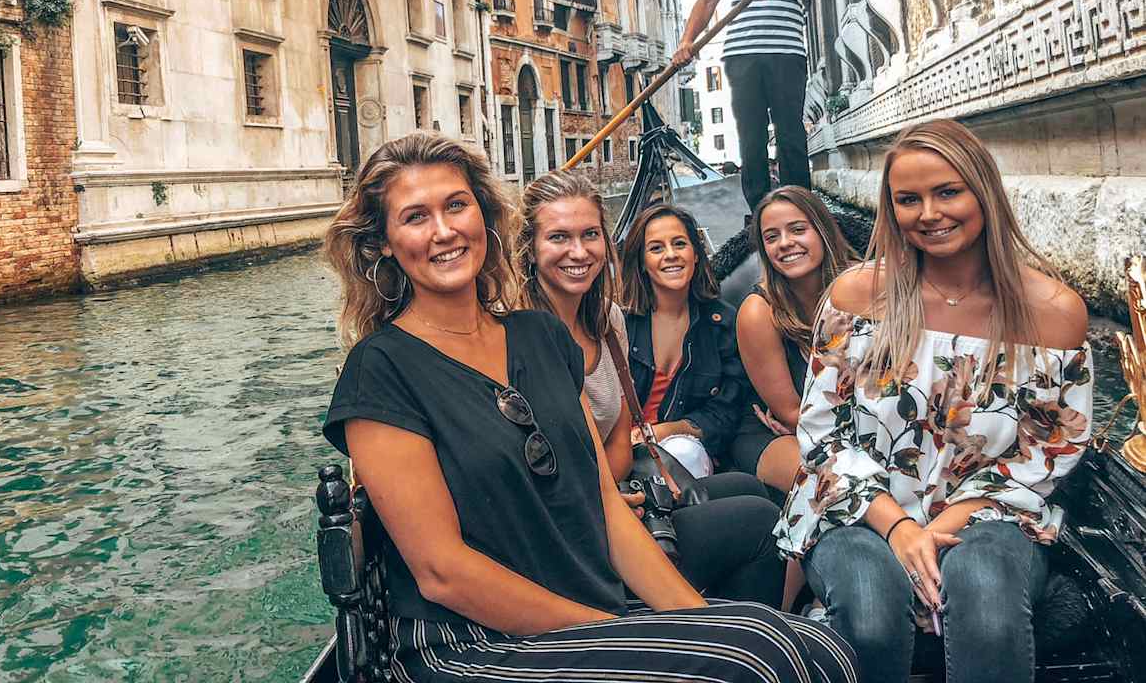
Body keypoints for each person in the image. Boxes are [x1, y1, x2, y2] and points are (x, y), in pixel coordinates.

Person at [322, 133, 857, 683]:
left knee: (814, 647)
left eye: (456, 205)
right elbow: (442, 574)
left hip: (585, 597)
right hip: (471, 645)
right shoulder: (380, 368)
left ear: (483, 217)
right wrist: (619, 630)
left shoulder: (540, 335)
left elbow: (602, 502)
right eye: (415, 217)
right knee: (758, 658)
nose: (444, 231)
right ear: (384, 242)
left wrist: (696, 622)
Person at [776, 119, 1094, 683]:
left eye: (947, 192)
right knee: (871, 611)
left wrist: (946, 521)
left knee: (989, 604)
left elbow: (1045, 453)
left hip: (990, 511)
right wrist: (899, 527)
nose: (929, 213)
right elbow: (824, 432)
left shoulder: (1054, 312)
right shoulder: (858, 295)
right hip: (858, 504)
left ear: (984, 193)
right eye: (908, 199)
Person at [517, 169, 786, 606]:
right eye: (559, 238)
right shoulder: (521, 335)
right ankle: (731, 638)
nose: (579, 252)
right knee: (759, 520)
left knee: (749, 490)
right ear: (529, 248)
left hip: (616, 491)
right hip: (568, 524)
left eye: (590, 236)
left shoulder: (608, 322)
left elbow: (621, 439)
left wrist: (625, 490)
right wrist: (609, 500)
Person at [671, 0, 820, 215]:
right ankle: (759, 215)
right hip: (741, 55)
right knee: (751, 141)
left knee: (790, 137)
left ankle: (802, 212)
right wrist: (686, 42)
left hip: (786, 53)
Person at [732, 186, 858, 493]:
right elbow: (790, 413)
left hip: (858, 424)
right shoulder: (758, 311)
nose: (785, 244)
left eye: (798, 230)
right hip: (776, 434)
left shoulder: (859, 287)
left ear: (823, 231)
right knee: (837, 486)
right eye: (771, 237)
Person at [619, 204, 745, 470]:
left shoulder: (723, 324)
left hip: (686, 451)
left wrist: (661, 432)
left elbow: (725, 412)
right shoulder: (618, 323)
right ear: (641, 261)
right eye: (656, 248)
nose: (671, 255)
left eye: (679, 244)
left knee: (683, 452)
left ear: (696, 254)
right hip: (618, 450)